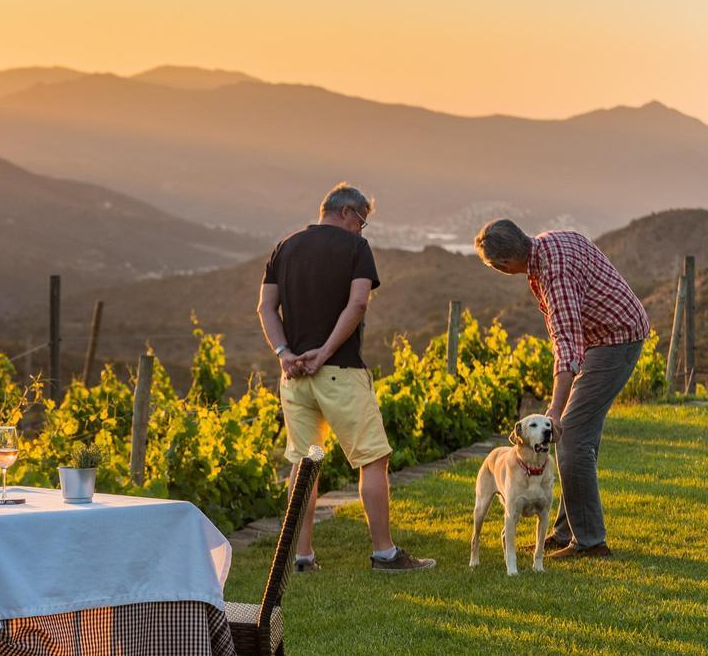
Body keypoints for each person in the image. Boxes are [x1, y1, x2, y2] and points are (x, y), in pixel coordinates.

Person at [257, 182, 435, 573]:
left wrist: (284, 353)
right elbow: (357, 304)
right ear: (346, 213)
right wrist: (324, 352)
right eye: (362, 221)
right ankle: (384, 553)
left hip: (295, 379)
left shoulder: (285, 246)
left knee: (306, 463)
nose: (362, 229)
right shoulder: (355, 249)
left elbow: (266, 308)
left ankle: (302, 558)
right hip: (339, 374)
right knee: (373, 459)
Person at [474, 219, 649, 559]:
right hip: (608, 335)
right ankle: (568, 530)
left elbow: (567, 347)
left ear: (505, 264)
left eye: (496, 267)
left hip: (616, 340)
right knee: (578, 439)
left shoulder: (553, 276)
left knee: (570, 437)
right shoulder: (547, 244)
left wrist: (553, 410)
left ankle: (590, 542)